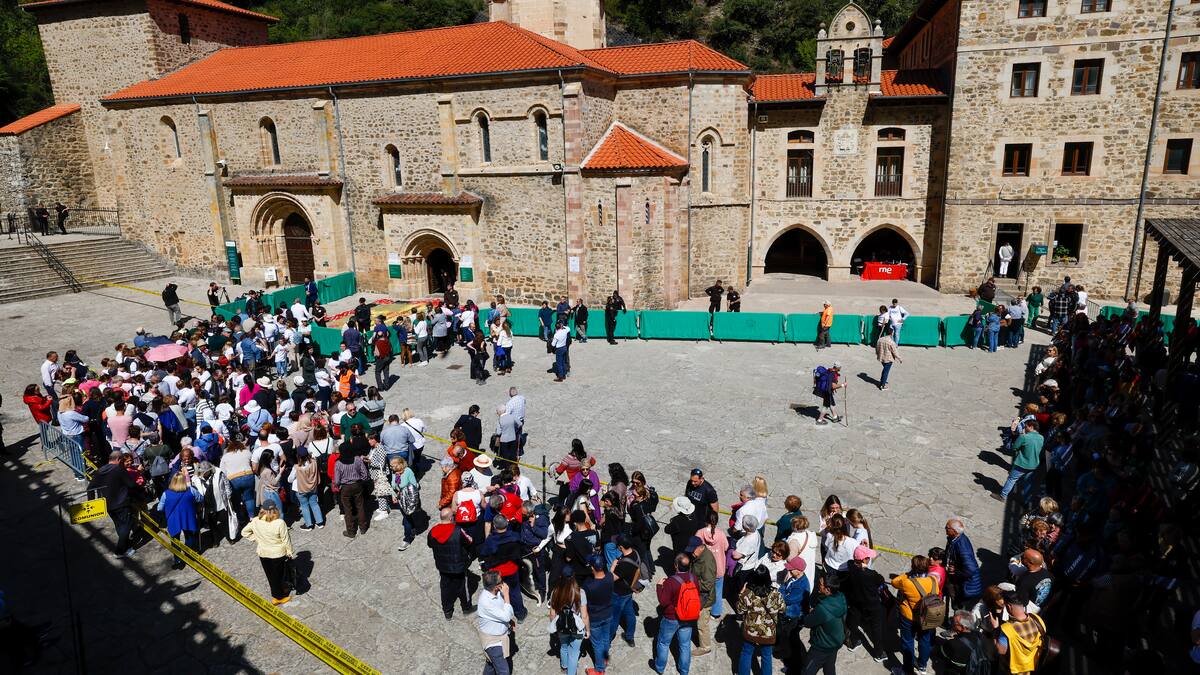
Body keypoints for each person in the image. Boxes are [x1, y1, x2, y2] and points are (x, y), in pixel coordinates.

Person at [891, 555, 940, 675]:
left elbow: (894, 582)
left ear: (913, 567)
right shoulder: (933, 580)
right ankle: (922, 665)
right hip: (927, 616)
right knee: (925, 639)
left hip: (909, 617)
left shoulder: (908, 583)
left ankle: (907, 670)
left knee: (908, 641)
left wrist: (908, 573)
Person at [651, 553, 697, 675]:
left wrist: (659, 586)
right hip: (688, 617)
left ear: (676, 565)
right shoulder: (694, 578)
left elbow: (663, 602)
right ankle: (684, 670)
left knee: (663, 643)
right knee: (685, 645)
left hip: (672, 618)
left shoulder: (671, 581)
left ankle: (660, 668)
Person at [240, 503, 295, 605]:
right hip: (277, 554)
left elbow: (244, 532)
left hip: (263, 553)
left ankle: (276, 595)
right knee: (279, 576)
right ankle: (279, 597)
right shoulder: (280, 523)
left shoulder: (255, 520)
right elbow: (286, 540)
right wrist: (290, 552)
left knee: (270, 576)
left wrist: (257, 540)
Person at [88, 451, 140, 557]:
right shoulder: (119, 469)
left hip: (107, 504)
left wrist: (93, 503)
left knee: (119, 525)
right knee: (126, 525)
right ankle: (119, 551)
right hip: (122, 503)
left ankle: (125, 545)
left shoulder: (99, 471)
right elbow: (131, 485)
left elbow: (90, 488)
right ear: (118, 459)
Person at [737, 566, 786, 675]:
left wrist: (741, 594)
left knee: (746, 653)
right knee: (766, 656)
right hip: (768, 633)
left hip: (751, 631)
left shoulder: (747, 594)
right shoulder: (776, 594)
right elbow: (783, 609)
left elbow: (740, 611)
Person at [842, 545, 887, 662]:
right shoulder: (871, 574)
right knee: (876, 628)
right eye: (868, 557)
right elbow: (881, 580)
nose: (869, 559)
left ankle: (853, 642)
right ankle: (879, 653)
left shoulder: (850, 566)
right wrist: (866, 568)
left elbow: (852, 563)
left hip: (856, 601)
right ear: (864, 560)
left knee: (853, 621)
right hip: (872, 604)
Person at [428, 507, 475, 619]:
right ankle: (466, 608)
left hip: (442, 565)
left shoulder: (432, 531)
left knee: (445, 587)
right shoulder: (458, 530)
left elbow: (430, 544)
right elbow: (469, 541)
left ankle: (447, 611)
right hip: (459, 565)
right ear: (450, 518)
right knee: (463, 587)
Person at [801, 573, 847, 675]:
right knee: (829, 668)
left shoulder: (823, 609)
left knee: (807, 672)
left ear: (828, 590)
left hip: (823, 645)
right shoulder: (841, 596)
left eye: (820, 584)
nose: (818, 584)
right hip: (836, 641)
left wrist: (812, 613)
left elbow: (807, 622)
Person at [994, 592, 1045, 675]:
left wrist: (995, 629)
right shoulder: (1037, 619)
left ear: (1009, 607)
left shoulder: (1007, 629)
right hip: (1033, 667)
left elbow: (1000, 650)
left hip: (1013, 671)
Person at [475, 570, 516, 675]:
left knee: (491, 664)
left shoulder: (496, 593)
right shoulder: (486, 602)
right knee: (504, 672)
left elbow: (502, 611)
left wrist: (509, 622)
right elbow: (506, 616)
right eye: (501, 581)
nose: (504, 583)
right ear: (496, 586)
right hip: (493, 643)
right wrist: (506, 594)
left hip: (499, 636)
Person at [548, 575, 590, 675]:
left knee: (563, 646)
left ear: (561, 578)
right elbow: (584, 616)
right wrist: (588, 630)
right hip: (577, 629)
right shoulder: (580, 592)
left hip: (562, 627)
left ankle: (564, 666)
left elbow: (552, 614)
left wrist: (555, 627)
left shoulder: (555, 592)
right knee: (574, 653)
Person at [579, 555, 614, 672]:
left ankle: (599, 669)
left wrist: (586, 628)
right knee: (605, 639)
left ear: (593, 568)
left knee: (597, 644)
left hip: (595, 618)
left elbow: (584, 607)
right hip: (608, 614)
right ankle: (605, 659)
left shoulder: (588, 586)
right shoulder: (610, 577)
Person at [995, 419, 1043, 504]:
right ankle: (1026, 502)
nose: (1024, 428)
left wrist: (1021, 436)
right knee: (1028, 483)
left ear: (1031, 427)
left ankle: (1002, 496)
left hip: (1022, 463)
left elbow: (1014, 447)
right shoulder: (1041, 437)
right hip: (1034, 464)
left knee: (1011, 479)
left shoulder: (1024, 437)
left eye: (1026, 426)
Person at [160, 472, 199, 569]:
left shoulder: (165, 494)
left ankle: (178, 560)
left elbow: (159, 508)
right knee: (189, 537)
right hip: (188, 517)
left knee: (175, 540)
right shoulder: (191, 490)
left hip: (173, 519)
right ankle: (188, 555)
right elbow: (200, 499)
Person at [945, 519, 982, 612]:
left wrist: (956, 571)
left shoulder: (962, 547)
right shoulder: (955, 539)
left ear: (955, 531)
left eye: (947, 528)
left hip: (963, 586)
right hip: (960, 581)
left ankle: (958, 618)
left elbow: (971, 569)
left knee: (958, 606)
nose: (945, 529)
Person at [333, 447, 370, 537]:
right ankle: (363, 528)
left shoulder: (338, 463)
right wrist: (361, 481)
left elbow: (337, 480)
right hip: (357, 485)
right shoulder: (357, 459)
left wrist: (338, 486)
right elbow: (365, 474)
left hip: (345, 487)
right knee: (360, 506)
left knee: (347, 509)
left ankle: (351, 531)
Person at [939, 611, 990, 675]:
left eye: (954, 622)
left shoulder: (953, 644)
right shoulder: (980, 635)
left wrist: (951, 641)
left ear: (963, 627)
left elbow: (941, 654)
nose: (952, 624)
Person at [876, 325, 902, 390]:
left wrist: (878, 354)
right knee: (886, 371)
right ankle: (882, 385)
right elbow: (895, 352)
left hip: (881, 358)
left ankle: (883, 380)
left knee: (885, 369)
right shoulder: (891, 342)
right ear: (892, 333)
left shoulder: (880, 339)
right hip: (888, 359)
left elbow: (877, 348)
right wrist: (899, 358)